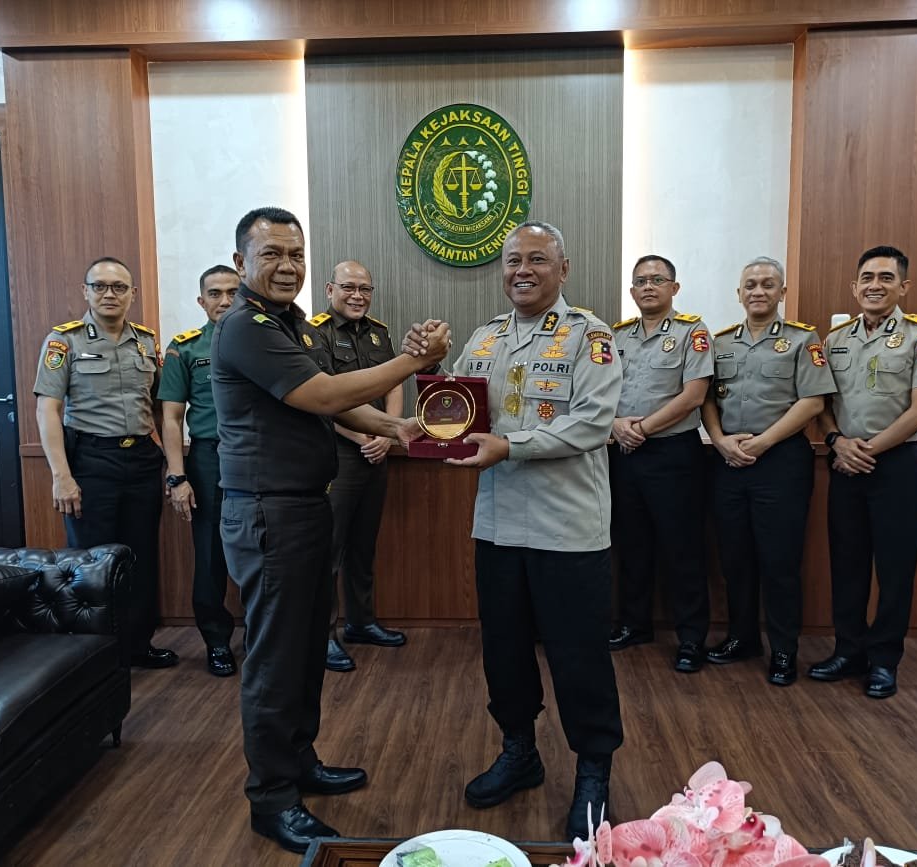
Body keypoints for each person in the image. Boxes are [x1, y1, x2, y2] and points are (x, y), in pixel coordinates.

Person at [211, 207, 449, 854]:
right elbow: (320, 396)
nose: (287, 265)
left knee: (306, 646)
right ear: (240, 263)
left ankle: (300, 762)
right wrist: (411, 361)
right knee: (274, 657)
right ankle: (272, 797)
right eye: (271, 253)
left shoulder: (293, 324)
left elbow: (340, 401)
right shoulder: (246, 327)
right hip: (268, 512)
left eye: (296, 253)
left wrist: (396, 427)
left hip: (305, 507)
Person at [408, 220, 623, 843]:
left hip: (568, 529)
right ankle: (519, 751)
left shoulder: (591, 336)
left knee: (578, 657)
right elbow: (456, 405)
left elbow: (593, 422)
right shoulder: (486, 336)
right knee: (503, 652)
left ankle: (593, 770)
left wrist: (511, 444)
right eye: (512, 261)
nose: (521, 270)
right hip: (499, 526)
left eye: (536, 259)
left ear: (563, 268)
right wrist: (430, 367)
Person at [809, 245, 917, 699]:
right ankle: (848, 650)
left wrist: (866, 450)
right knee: (847, 565)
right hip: (845, 463)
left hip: (897, 467)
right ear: (855, 287)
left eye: (886, 278)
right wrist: (837, 442)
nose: (875, 285)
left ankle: (884, 660)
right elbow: (821, 404)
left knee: (895, 570)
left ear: (903, 286)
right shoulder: (835, 339)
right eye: (867, 278)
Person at [34, 257, 177, 669]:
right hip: (91, 460)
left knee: (140, 557)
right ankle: (93, 655)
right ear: (86, 291)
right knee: (91, 562)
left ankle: (137, 645)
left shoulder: (146, 342)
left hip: (142, 461)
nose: (109, 294)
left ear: (133, 294)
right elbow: (48, 409)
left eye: (119, 287)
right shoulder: (64, 341)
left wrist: (172, 465)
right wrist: (61, 475)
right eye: (99, 286)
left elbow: (160, 406)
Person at [702, 256, 835, 686]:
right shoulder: (720, 342)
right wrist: (719, 440)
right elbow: (706, 399)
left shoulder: (802, 339)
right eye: (750, 285)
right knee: (735, 558)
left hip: (780, 461)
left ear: (782, 292)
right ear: (739, 294)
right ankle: (742, 638)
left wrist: (763, 442)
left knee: (780, 561)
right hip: (728, 459)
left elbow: (813, 402)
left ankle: (783, 649)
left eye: (767, 284)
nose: (758, 291)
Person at [607, 255, 713, 673]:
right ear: (632, 291)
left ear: (674, 288)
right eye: (640, 281)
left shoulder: (693, 332)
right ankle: (634, 624)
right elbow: (599, 390)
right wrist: (616, 425)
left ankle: (691, 638)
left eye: (657, 280)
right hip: (623, 452)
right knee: (631, 544)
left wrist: (641, 429)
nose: (648, 287)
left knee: (682, 547)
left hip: (672, 453)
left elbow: (694, 396)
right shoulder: (615, 336)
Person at [308, 260, 406, 674]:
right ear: (330, 289)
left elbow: (394, 384)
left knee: (364, 545)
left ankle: (361, 622)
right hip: (338, 454)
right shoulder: (313, 333)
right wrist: (362, 437)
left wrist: (389, 432)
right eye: (348, 287)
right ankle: (323, 636)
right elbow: (320, 398)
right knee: (328, 550)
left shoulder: (379, 333)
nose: (357, 296)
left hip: (377, 452)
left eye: (365, 289)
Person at [159, 264, 240, 677]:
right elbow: (172, 418)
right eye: (215, 293)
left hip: (259, 456)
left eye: (232, 292)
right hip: (209, 457)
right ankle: (217, 641)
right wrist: (178, 476)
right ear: (201, 300)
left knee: (265, 548)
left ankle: (264, 636)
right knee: (209, 554)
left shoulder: (266, 340)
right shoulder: (186, 348)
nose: (224, 301)